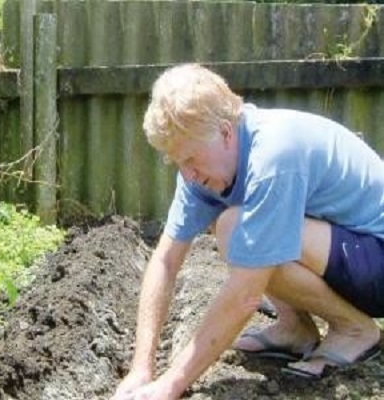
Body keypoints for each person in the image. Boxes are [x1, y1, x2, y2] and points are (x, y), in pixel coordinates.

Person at [112, 63, 384, 400]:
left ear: (226, 132)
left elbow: (245, 295)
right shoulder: (200, 170)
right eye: (177, 161)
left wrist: (171, 384)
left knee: (240, 230)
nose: (188, 174)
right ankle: (295, 328)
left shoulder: (274, 157)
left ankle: (356, 330)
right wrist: (142, 369)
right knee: (234, 227)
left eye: (192, 158)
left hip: (377, 258)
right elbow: (166, 261)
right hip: (348, 254)